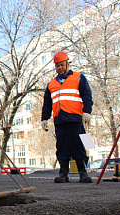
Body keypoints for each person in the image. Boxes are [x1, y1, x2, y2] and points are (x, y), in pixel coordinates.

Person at [41, 51, 93, 183]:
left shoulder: (78, 77)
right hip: (59, 119)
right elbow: (47, 103)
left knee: (78, 145)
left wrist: (87, 112)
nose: (60, 68)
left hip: (75, 118)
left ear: (67, 64)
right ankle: (63, 173)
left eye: (62, 65)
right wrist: (44, 118)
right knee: (62, 146)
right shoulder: (51, 84)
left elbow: (87, 95)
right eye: (57, 66)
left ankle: (83, 172)